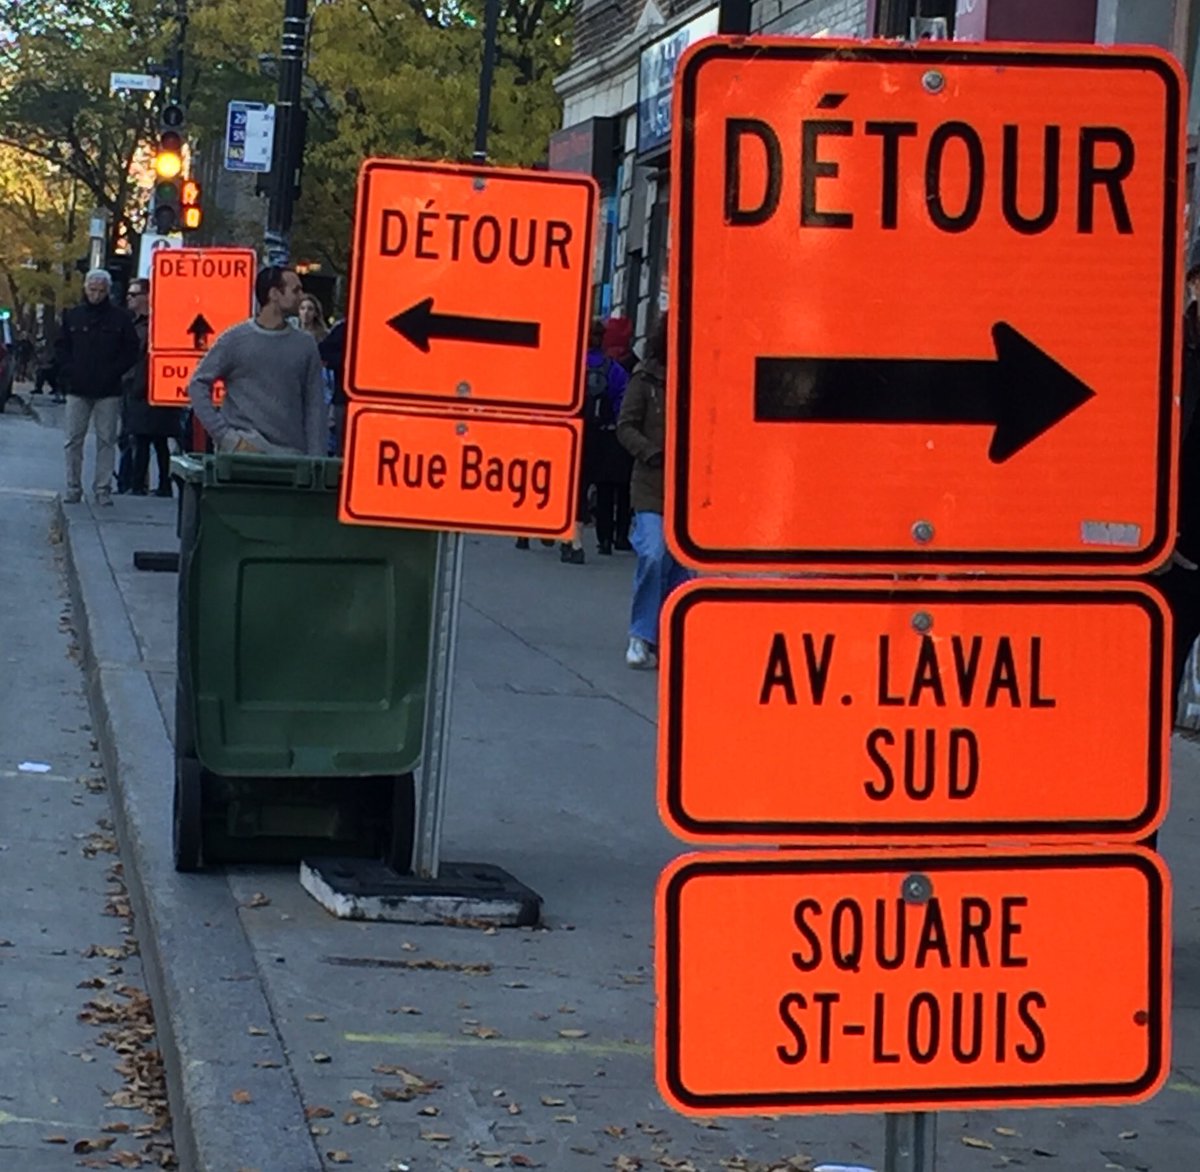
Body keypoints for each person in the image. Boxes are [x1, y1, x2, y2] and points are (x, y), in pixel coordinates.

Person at [187, 266, 327, 456]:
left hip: (291, 458)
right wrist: (227, 437)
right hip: (242, 457)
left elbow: (315, 407)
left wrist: (316, 460)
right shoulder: (235, 340)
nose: (302, 296)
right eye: (295, 290)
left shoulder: (305, 345)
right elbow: (197, 384)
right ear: (274, 294)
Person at [617, 313, 689, 669]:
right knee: (654, 555)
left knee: (682, 571)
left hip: (688, 492)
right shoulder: (645, 378)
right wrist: (651, 452)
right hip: (650, 485)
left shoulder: (703, 379)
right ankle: (640, 635)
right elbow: (625, 426)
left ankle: (669, 638)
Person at [56, 269, 141, 505]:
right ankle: (73, 487)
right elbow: (61, 347)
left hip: (108, 389)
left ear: (108, 291)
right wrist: (69, 371)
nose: (96, 295)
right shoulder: (73, 316)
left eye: (101, 291)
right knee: (73, 440)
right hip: (77, 388)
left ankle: (103, 489)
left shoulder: (120, 319)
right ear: (85, 289)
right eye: (92, 290)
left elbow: (131, 350)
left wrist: (114, 372)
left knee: (107, 440)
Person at [121, 279, 177, 496]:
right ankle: (138, 483)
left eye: (134, 294)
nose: (129, 298)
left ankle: (145, 484)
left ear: (147, 296)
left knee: (150, 438)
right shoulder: (133, 324)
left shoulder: (156, 325)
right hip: (136, 385)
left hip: (151, 386)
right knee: (141, 437)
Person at [583, 319, 632, 555]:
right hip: (609, 435)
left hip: (581, 433)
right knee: (613, 488)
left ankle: (582, 535)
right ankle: (613, 538)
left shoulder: (575, 364)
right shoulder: (615, 369)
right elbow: (623, 401)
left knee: (581, 485)